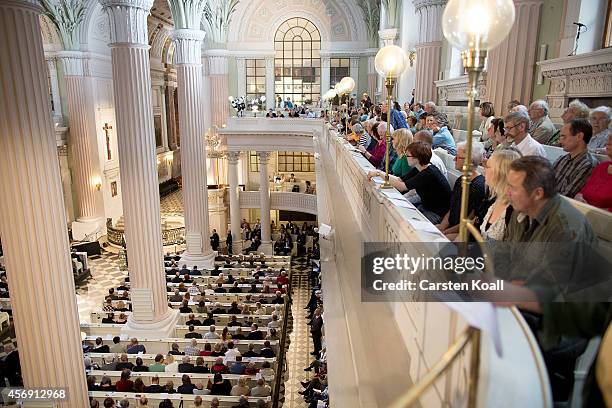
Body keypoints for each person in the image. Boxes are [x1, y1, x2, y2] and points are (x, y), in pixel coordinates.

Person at [375, 141, 451, 223]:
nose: (406, 156)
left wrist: (380, 173)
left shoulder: (429, 173)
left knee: (401, 220)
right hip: (425, 207)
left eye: (408, 155)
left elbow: (402, 187)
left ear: (416, 158)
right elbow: (399, 179)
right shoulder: (419, 167)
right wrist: (380, 174)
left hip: (436, 214)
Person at [435, 141, 486, 239]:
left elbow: (469, 220)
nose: (454, 159)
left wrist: (445, 232)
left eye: (458, 157)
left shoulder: (477, 187)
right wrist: (441, 227)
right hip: (450, 228)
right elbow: (452, 209)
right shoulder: (460, 180)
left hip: (463, 234)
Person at [479, 148, 521, 241]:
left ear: (500, 173)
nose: (484, 170)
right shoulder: (495, 199)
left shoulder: (515, 210)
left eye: (488, 166)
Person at [552, 119, 598, 198]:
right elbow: (545, 183)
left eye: (563, 136)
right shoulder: (562, 159)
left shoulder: (588, 165)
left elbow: (567, 197)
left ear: (579, 137)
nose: (559, 141)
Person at [575, 132, 612, 211]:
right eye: (608, 142)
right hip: (583, 210)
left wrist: (594, 211)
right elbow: (582, 191)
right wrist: (579, 197)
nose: (607, 144)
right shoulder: (602, 166)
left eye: (611, 143)